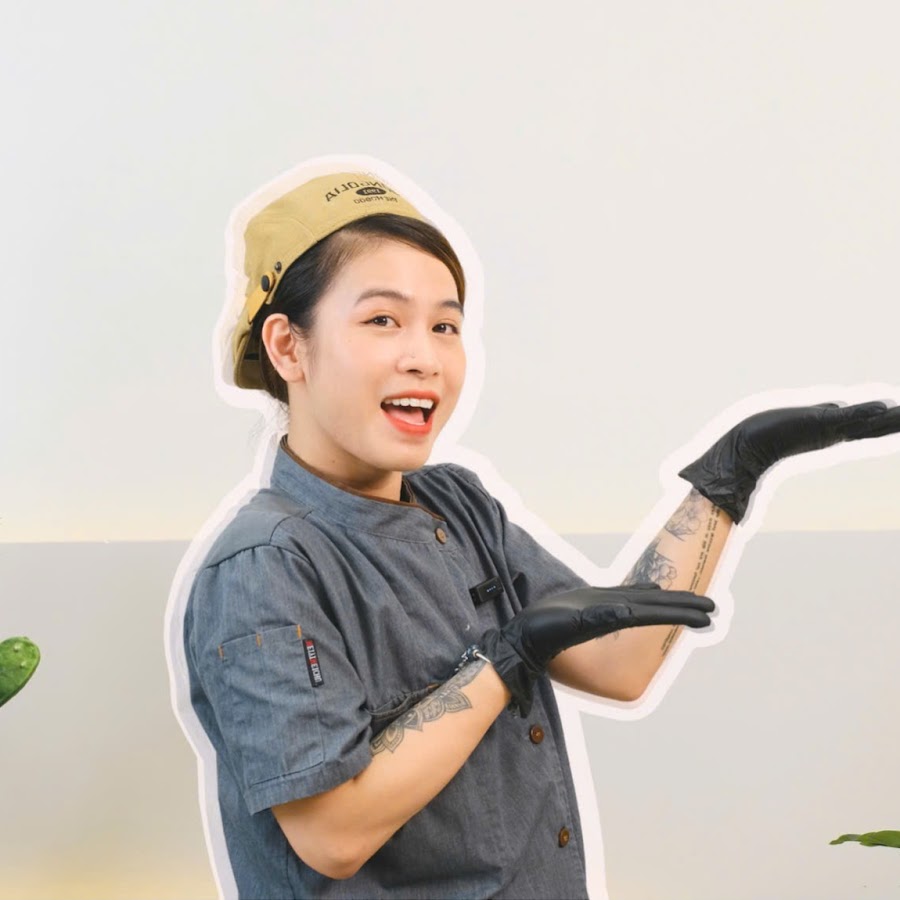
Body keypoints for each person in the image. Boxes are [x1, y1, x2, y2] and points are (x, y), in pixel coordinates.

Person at [177, 167, 900, 900]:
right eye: (382, 320)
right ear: (288, 347)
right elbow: (332, 833)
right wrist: (504, 664)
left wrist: (728, 476)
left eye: (445, 326)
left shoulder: (458, 503)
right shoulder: (265, 566)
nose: (424, 356)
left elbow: (620, 662)